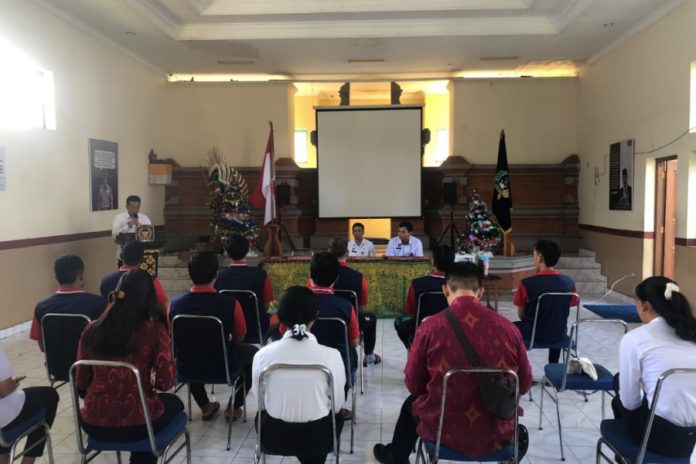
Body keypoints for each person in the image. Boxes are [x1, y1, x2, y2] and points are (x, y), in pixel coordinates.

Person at [373, 262, 532, 463]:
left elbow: (413, 384)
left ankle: (396, 457)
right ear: (480, 292)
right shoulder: (509, 329)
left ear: (445, 290)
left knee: (410, 404)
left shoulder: (429, 328)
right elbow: (524, 384)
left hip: (442, 432)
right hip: (497, 432)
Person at [76, 269, 182, 464]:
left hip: (93, 422)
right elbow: (165, 383)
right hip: (139, 423)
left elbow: (81, 383)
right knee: (173, 404)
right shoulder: (154, 331)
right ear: (150, 299)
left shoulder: (91, 329)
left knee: (146, 419)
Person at [251, 286, 346, 464]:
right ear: (316, 316)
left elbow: (260, 402)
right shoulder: (332, 356)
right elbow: (337, 404)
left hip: (274, 437)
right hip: (318, 439)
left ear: (280, 317)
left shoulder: (262, 355)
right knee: (331, 419)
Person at [611, 276, 696, 458]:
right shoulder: (692, 332)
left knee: (618, 384)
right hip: (692, 441)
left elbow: (630, 403)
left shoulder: (636, 339)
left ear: (643, 305)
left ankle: (627, 457)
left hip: (660, 437)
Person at [169, 251, 257, 421]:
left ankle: (204, 406)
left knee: (189, 351)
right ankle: (234, 406)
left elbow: (171, 337)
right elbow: (239, 337)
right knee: (254, 354)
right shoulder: (230, 303)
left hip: (187, 367)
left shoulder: (174, 305)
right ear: (216, 274)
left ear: (189, 275)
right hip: (223, 366)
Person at [513, 239, 577, 363]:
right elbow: (570, 305)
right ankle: (553, 365)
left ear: (540, 258)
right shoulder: (569, 283)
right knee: (556, 324)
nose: (533, 259)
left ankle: (519, 367)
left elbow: (521, 314)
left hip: (533, 334)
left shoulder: (526, 284)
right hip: (559, 335)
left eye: (534, 255)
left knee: (508, 328)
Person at [29, 255, 107, 351]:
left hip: (56, 361)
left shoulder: (41, 307)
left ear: (56, 278)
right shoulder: (102, 304)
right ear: (80, 275)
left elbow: (43, 348)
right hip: (88, 360)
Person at [0, 345, 59, 464]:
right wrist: (14, 382)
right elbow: (4, 389)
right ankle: (28, 461)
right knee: (51, 396)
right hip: (5, 422)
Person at [328, 237, 381, 366]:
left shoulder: (318, 274)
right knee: (370, 317)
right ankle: (369, 355)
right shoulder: (358, 278)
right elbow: (361, 309)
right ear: (347, 252)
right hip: (350, 322)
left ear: (329, 252)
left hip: (322, 320)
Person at [215, 235, 274, 342]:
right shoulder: (261, 275)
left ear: (226, 252)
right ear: (247, 251)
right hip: (256, 330)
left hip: (227, 329)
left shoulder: (218, 276)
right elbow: (266, 305)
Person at [393, 245, 453, 351]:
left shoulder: (417, 284)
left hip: (423, 330)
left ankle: (413, 349)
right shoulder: (459, 286)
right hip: (453, 330)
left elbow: (410, 312)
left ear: (433, 262)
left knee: (400, 321)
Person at [100, 241, 168, 308]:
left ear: (121, 257)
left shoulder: (106, 280)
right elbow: (162, 305)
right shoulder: (151, 280)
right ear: (142, 260)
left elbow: (103, 307)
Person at [112, 195, 152, 262]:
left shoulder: (144, 218)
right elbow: (114, 235)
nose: (135, 210)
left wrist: (140, 226)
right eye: (132, 207)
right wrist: (128, 225)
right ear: (127, 207)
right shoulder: (119, 218)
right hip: (123, 256)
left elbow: (149, 236)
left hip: (141, 256)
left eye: (137, 207)